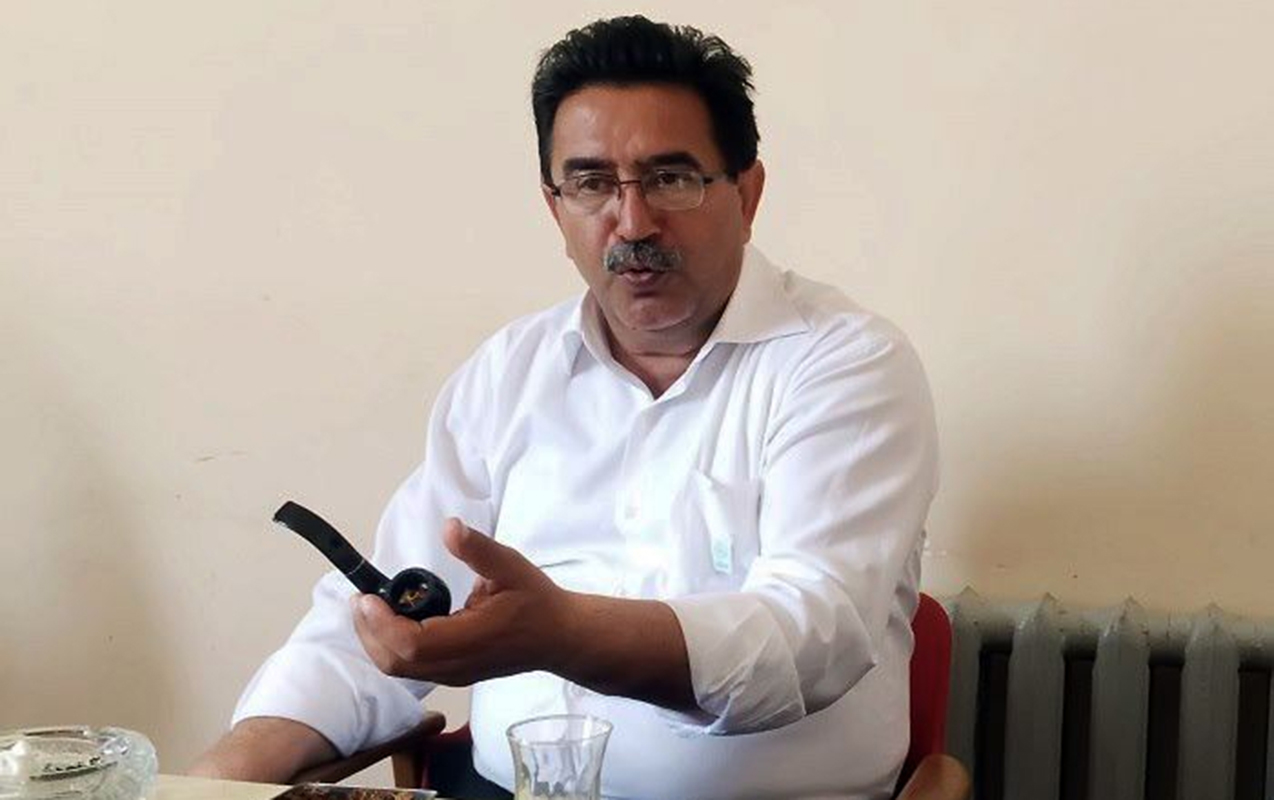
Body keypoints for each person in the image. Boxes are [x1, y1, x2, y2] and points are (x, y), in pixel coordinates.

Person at [191, 15, 938, 800]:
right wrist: (214, 776)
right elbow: (381, 614)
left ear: (747, 194)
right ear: (556, 208)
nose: (633, 223)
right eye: (591, 184)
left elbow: (811, 636)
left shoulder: (847, 365)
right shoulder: (509, 372)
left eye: (671, 178)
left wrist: (564, 636)